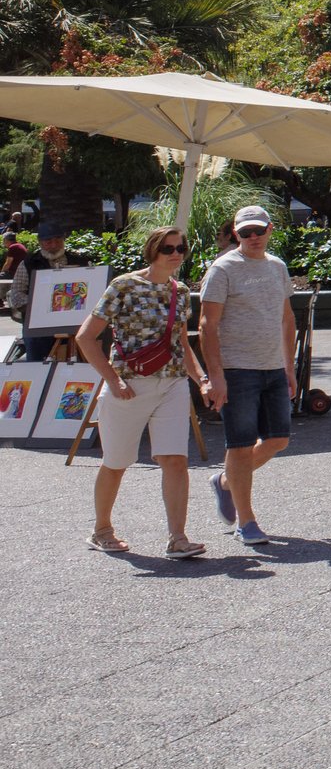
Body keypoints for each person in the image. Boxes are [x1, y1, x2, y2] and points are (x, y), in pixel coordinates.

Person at [75, 227, 211, 557]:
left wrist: (202, 379)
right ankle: (102, 530)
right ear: (153, 250)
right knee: (116, 461)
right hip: (129, 386)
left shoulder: (179, 291)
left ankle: (178, 538)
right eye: (168, 248)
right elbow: (85, 338)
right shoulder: (124, 285)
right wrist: (113, 380)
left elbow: (181, 344)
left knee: (175, 460)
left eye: (181, 247)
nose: (176, 253)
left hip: (172, 383)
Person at [199, 205, 295, 547]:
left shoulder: (277, 267)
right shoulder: (223, 268)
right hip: (237, 369)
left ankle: (225, 483)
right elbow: (207, 324)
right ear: (236, 234)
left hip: (272, 367)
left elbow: (287, 318)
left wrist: (290, 365)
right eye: (245, 232)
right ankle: (247, 520)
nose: (253, 238)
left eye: (259, 231)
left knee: (278, 439)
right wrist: (215, 376)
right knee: (239, 445)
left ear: (270, 229)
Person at [9, 220, 94, 362]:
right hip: (38, 328)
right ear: (40, 243)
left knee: (80, 368)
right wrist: (43, 304)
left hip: (74, 325)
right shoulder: (28, 263)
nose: (54, 246)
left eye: (58, 241)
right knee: (37, 367)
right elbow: (16, 295)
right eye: (48, 242)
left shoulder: (81, 262)